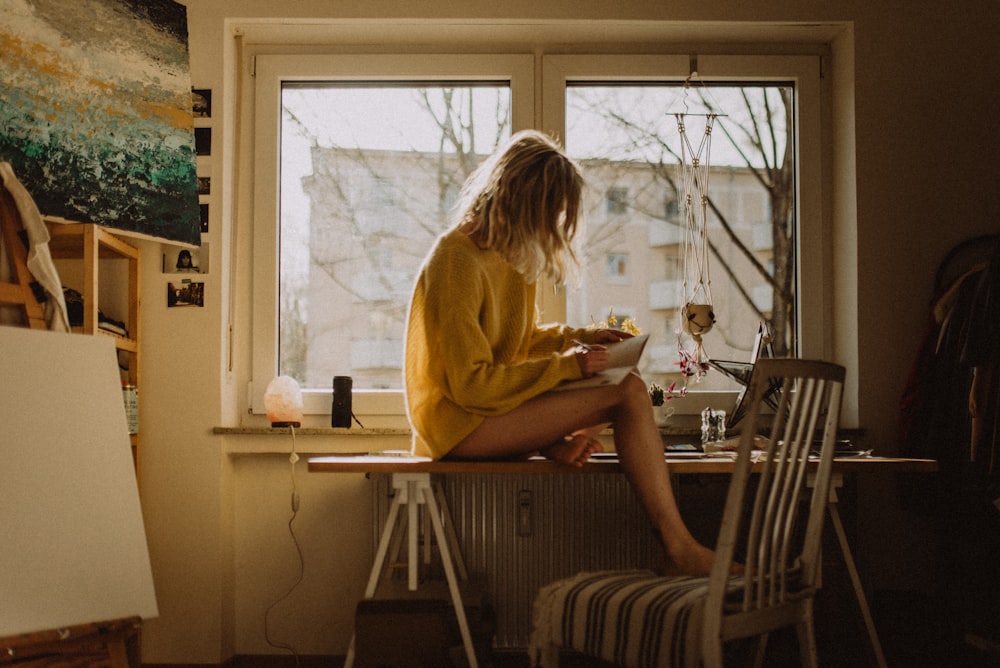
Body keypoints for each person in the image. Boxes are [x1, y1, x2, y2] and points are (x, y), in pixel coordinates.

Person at [403, 129, 717, 576]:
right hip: (457, 424)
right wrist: (569, 365)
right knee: (626, 393)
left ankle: (556, 445)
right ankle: (678, 548)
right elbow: (472, 384)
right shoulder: (455, 259)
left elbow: (519, 338)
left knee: (618, 383)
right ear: (518, 200)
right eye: (548, 213)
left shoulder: (506, 253)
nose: (551, 227)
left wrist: (582, 337)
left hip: (488, 413)